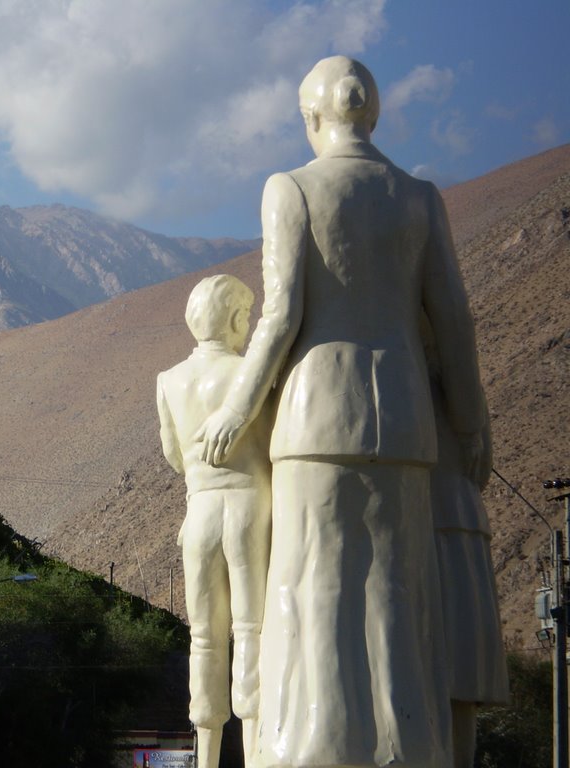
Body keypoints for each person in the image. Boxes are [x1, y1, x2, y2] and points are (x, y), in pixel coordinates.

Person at [196, 56, 489, 767]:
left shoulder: (290, 188)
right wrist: (471, 419)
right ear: (374, 112)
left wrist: (239, 408)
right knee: (398, 589)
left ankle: (313, 744)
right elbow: (453, 318)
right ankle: (408, 742)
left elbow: (280, 317)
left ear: (311, 116)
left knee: (315, 582)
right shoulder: (419, 197)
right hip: (405, 424)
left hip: (316, 418)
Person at [157, 274, 272, 768]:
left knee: (203, 636)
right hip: (251, 509)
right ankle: (254, 750)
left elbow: (173, 454)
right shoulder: (252, 374)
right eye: (245, 315)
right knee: (252, 630)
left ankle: (206, 755)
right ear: (232, 318)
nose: (247, 326)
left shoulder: (169, 381)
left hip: (200, 512)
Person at [423, 321, 509, 768]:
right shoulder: (464, 403)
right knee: (456, 672)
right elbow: (483, 463)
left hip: (436, 525)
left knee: (437, 666)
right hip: (457, 519)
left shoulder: (407, 385)